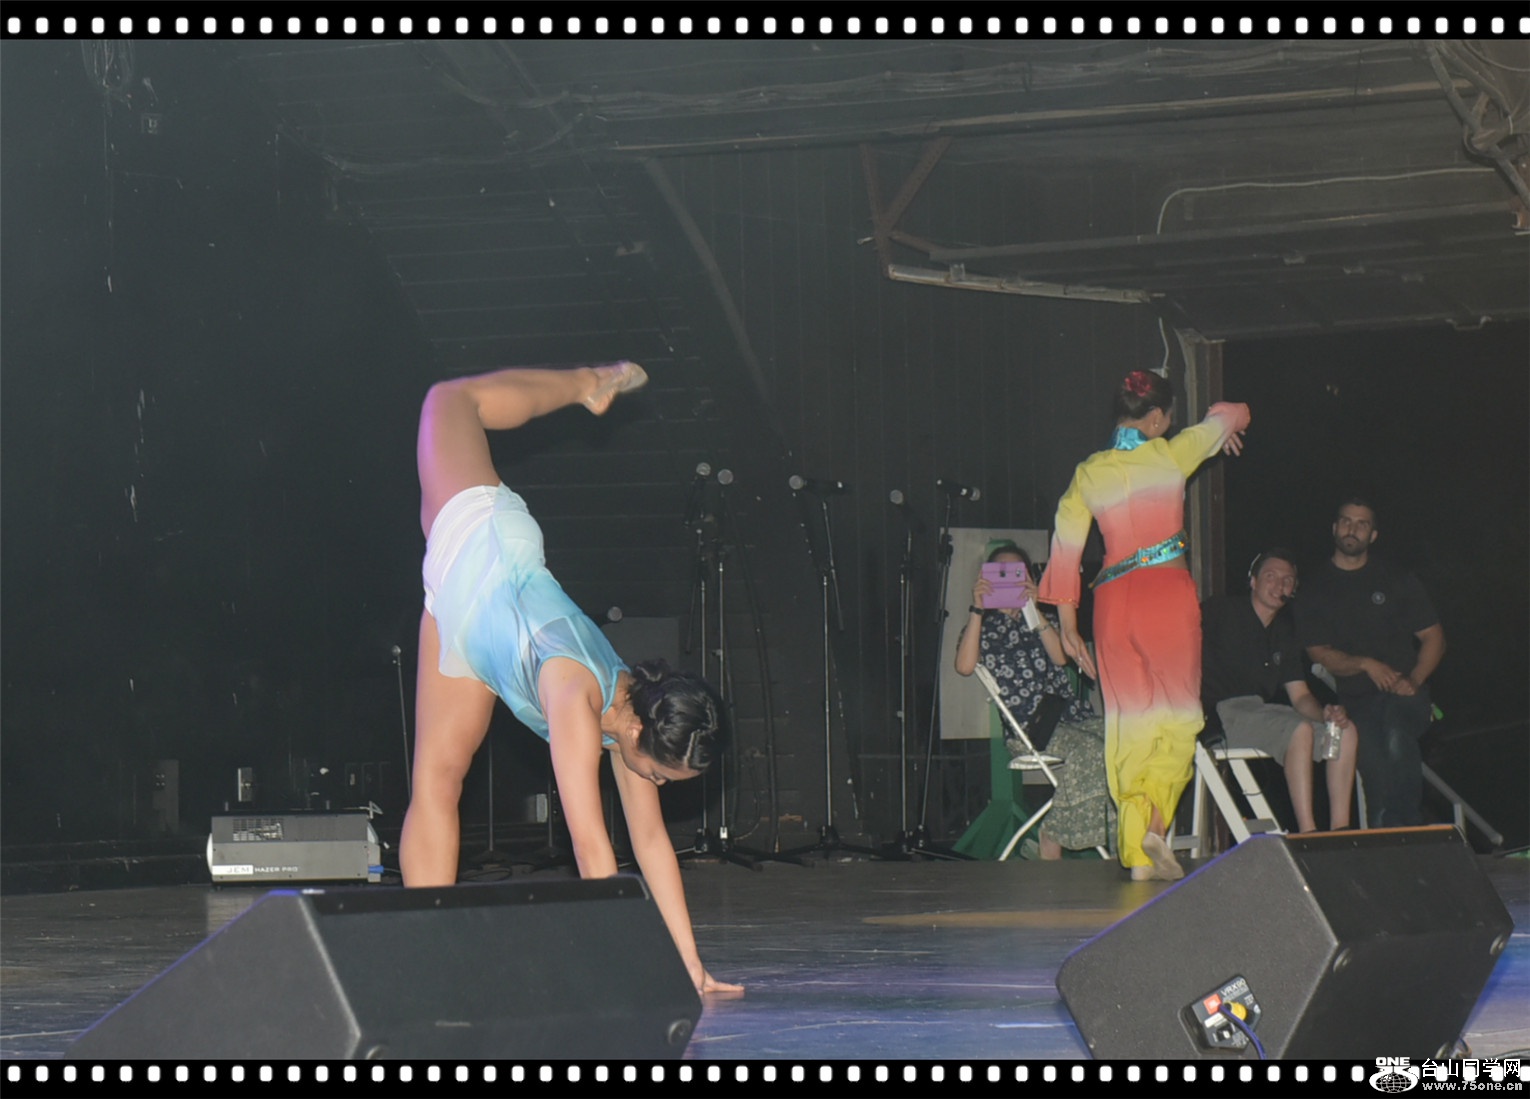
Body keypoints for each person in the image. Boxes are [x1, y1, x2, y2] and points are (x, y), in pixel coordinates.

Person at [397, 360, 742, 996]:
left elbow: (650, 841)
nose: (653, 784)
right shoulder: (576, 699)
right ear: (638, 733)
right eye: (659, 775)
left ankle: (426, 961)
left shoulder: (634, 725)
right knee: (448, 399)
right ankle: (587, 382)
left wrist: (690, 965)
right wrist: (623, 970)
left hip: (464, 627)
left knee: (436, 782)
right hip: (484, 542)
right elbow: (591, 849)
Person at [1038, 370, 1250, 881]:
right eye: (1168, 417)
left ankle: (1137, 855)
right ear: (1155, 418)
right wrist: (1223, 430)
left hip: (1112, 605)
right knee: (1177, 719)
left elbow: (1066, 545)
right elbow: (1236, 410)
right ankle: (1155, 826)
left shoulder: (1089, 472)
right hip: (1164, 599)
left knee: (1130, 726)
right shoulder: (1172, 455)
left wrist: (1068, 624)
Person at [954, 542, 1113, 858]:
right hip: (1030, 728)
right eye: (1000, 573)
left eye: (1017, 574)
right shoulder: (983, 626)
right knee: (1088, 750)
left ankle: (1124, 836)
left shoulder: (1041, 620)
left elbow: (1060, 659)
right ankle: (1052, 835)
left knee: (1123, 742)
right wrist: (977, 608)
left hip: (1070, 717)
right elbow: (964, 666)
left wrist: (1034, 607)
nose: (1008, 581)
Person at [1293, 498, 1445, 827]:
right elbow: (1319, 652)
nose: (1353, 529)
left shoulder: (1396, 578)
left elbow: (1434, 637)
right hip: (1357, 700)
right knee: (1374, 768)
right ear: (1335, 528)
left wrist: (1414, 680)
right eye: (1346, 521)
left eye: (1362, 524)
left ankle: (1409, 828)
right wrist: (1366, 664)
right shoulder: (1315, 588)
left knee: (1395, 733)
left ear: (1373, 535)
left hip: (1406, 696)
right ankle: (1386, 838)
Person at [1201, 548, 1358, 833]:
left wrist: (1325, 714)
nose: (1279, 585)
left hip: (1262, 713)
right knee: (1299, 730)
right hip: (1221, 714)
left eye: (1287, 580)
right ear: (1253, 581)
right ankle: (1308, 832)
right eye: (1271, 577)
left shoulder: (1285, 632)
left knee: (1344, 732)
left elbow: (1300, 696)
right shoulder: (1222, 611)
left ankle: (1340, 831)